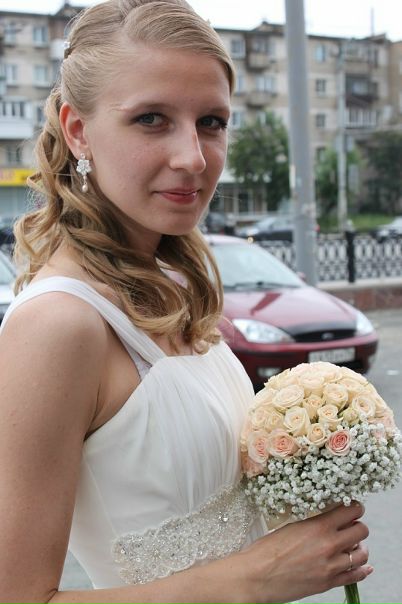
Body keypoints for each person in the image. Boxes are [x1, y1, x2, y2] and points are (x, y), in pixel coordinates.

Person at [0, 1, 372, 602]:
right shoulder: (59, 324)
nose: (194, 157)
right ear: (77, 130)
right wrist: (257, 577)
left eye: (212, 122)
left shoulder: (170, 287)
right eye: (151, 119)